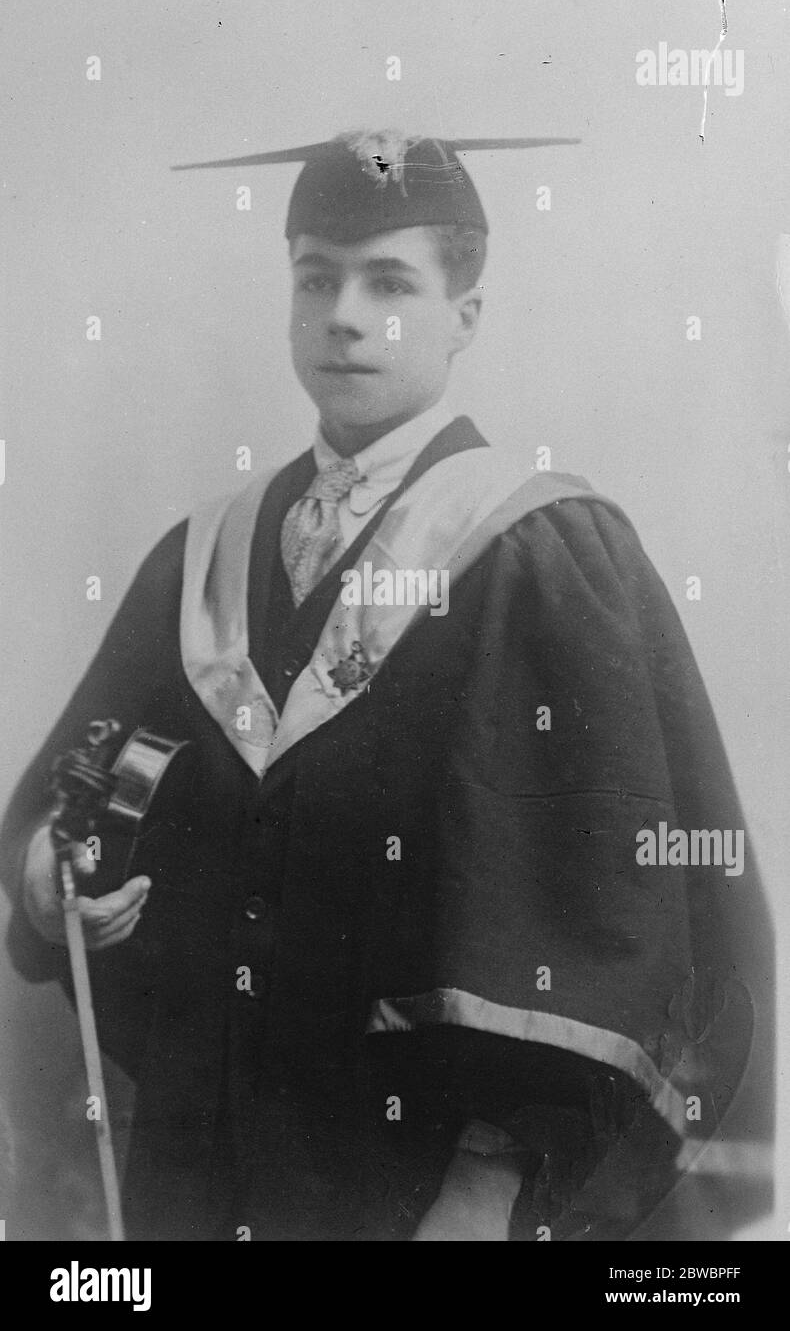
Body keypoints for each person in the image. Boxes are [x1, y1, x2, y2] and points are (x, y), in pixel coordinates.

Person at [1, 132, 772, 1241]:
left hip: (413, 1191)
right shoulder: (203, 557)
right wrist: (47, 872)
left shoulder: (537, 552)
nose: (346, 315)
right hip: (196, 1166)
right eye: (316, 277)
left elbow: (601, 919)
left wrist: (487, 1185)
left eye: (391, 282)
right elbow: (64, 789)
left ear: (466, 316)